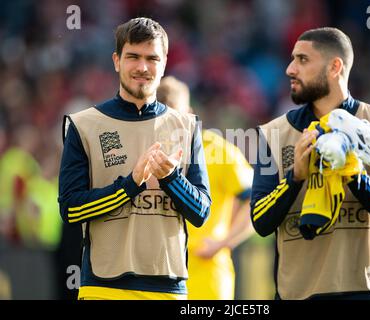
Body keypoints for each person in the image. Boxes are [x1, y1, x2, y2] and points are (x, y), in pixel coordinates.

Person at [58, 17, 211, 300]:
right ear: (117, 60)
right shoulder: (83, 125)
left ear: (164, 63)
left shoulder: (187, 127)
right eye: (133, 57)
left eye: (152, 58)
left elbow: (201, 213)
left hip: (168, 289)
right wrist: (131, 184)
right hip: (103, 288)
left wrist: (171, 178)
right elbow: (70, 210)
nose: (142, 67)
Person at [251, 27, 370, 300]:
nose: (290, 69)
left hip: (367, 292)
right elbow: (260, 221)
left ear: (335, 67)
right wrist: (294, 177)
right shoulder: (272, 133)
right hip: (298, 294)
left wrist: (355, 175)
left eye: (302, 60)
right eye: (292, 59)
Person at [157, 76, 254, 300]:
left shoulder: (218, 150)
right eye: (163, 115)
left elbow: (255, 199)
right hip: (158, 274)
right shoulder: (146, 153)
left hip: (206, 274)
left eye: (176, 113)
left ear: (189, 113)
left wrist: (223, 243)